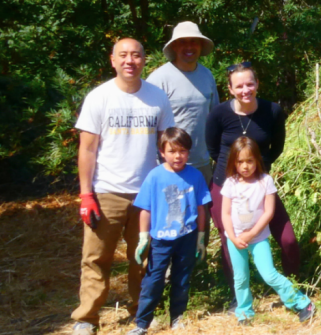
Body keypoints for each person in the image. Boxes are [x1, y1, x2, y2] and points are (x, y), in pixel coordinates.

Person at [71, 38, 176, 335]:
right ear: (113, 60)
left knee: (143, 257)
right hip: (106, 192)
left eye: (136, 55)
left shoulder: (157, 97)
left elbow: (166, 145)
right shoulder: (99, 97)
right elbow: (87, 150)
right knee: (95, 257)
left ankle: (141, 313)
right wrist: (86, 194)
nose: (130, 60)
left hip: (147, 192)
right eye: (123, 55)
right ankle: (87, 318)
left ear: (145, 60)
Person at [205, 63, 299, 305]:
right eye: (239, 85)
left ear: (257, 84)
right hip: (226, 185)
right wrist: (234, 174)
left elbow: (276, 147)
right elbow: (213, 148)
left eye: (250, 83)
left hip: (260, 184)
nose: (245, 89)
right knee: (230, 239)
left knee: (287, 238)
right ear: (230, 89)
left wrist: (256, 171)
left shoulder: (273, 111)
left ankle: (293, 286)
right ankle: (239, 297)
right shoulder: (219, 114)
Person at [220, 136, 315, 324]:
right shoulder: (230, 183)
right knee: (240, 278)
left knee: (269, 274)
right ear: (233, 162)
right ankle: (245, 312)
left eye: (249, 161)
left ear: (257, 160)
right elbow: (225, 214)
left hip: (258, 239)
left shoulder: (265, 181)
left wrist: (252, 234)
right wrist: (233, 236)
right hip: (235, 239)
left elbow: (269, 212)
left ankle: (302, 303)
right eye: (240, 162)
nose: (245, 166)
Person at [126, 128, 210, 335]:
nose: (178, 156)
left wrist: (201, 237)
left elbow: (202, 208)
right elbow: (146, 208)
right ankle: (142, 323)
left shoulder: (195, 176)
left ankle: (177, 318)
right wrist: (143, 237)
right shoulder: (154, 176)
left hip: (187, 237)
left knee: (181, 279)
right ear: (162, 152)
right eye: (172, 151)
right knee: (153, 280)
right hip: (161, 239)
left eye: (182, 151)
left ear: (188, 152)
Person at [147, 21, 219, 182]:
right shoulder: (159, 79)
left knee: (203, 208)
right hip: (169, 166)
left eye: (193, 41)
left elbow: (215, 117)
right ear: (174, 47)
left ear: (200, 45)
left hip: (202, 164)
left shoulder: (207, 76)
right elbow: (149, 126)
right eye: (182, 42)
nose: (189, 47)